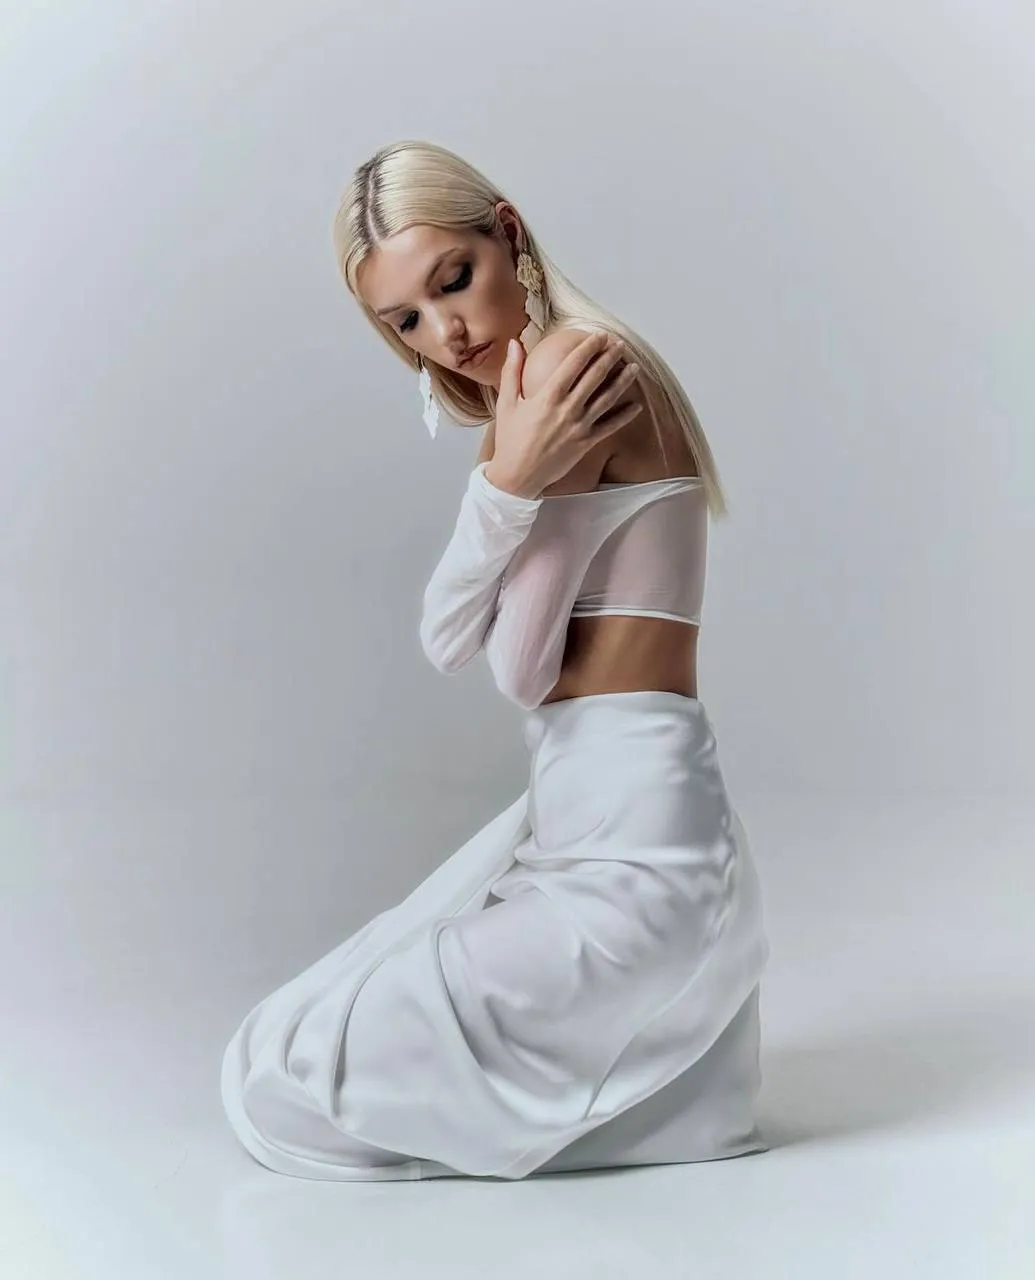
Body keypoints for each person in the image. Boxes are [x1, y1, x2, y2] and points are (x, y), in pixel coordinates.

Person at [220, 139, 770, 1181]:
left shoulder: (570, 373)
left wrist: (507, 481)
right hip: (595, 810)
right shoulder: (528, 405)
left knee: (300, 1073)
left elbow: (504, 665)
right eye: (406, 321)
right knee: (294, 1043)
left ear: (508, 235)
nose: (449, 333)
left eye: (453, 279)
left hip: (635, 840)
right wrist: (509, 474)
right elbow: (463, 639)